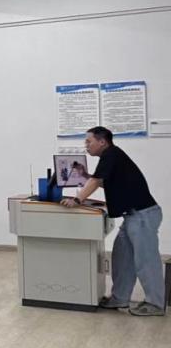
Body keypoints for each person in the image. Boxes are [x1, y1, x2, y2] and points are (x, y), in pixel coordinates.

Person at [62, 126, 165, 315]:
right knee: (122, 259)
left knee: (146, 261)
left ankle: (155, 304)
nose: (86, 145)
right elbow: (103, 181)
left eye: (89, 141)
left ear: (102, 142)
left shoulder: (110, 154)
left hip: (143, 216)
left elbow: (95, 182)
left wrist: (77, 200)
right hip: (133, 216)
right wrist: (85, 175)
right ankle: (120, 298)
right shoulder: (111, 157)